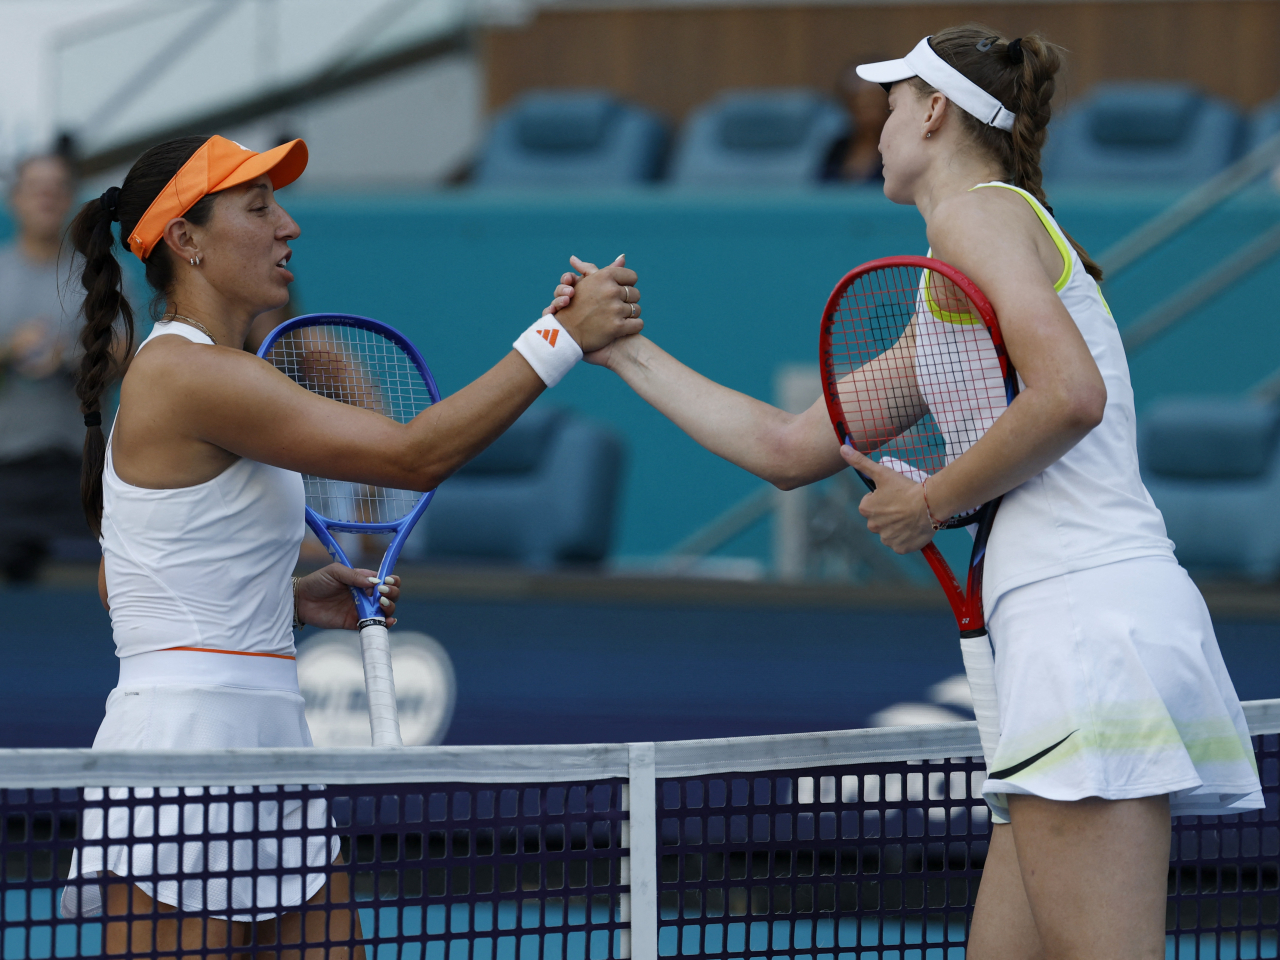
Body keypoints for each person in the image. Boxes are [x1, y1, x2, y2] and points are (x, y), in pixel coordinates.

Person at [549, 26, 1262, 959]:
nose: (875, 125)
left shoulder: (975, 215)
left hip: (1084, 627)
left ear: (934, 112)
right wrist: (620, 352)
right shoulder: (953, 289)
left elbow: (1070, 395)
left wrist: (929, 504)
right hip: (1077, 624)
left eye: (889, 105)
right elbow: (790, 447)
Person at [63, 134, 641, 951]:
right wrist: (559, 340)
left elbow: (119, 584)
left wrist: (280, 600)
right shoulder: (187, 375)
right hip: (179, 759)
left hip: (273, 746)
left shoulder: (211, 373)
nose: (288, 226)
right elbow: (416, 455)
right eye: (258, 208)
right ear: (185, 241)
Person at [0, 154, 94, 580]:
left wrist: (73, 357)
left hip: (75, 467)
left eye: (56, 189)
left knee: (71, 604)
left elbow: (128, 357)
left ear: (70, 200)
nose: (46, 197)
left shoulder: (99, 277)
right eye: (36, 188)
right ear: (15, 199)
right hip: (5, 467)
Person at [833, 61, 890, 182]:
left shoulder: (899, 148)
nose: (870, 114)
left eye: (875, 104)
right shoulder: (839, 148)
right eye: (863, 106)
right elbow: (821, 188)